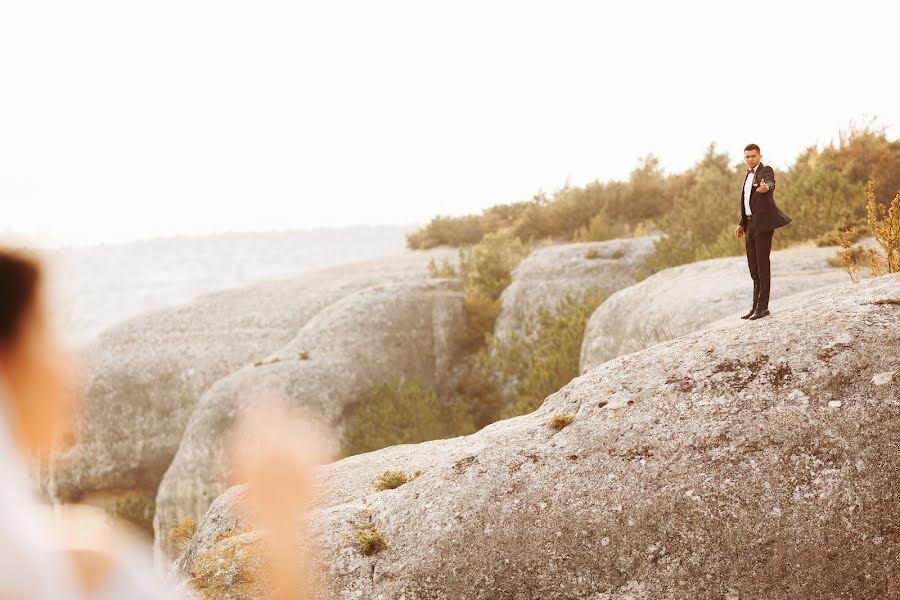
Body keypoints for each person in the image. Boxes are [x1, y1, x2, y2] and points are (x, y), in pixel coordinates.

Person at [0, 247, 319, 599]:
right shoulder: (78, 568)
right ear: (11, 361)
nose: (66, 364)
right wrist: (282, 524)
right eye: (47, 334)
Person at [733, 144, 792, 320]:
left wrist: (767, 187)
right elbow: (748, 202)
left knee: (762, 266)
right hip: (750, 225)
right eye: (747, 157)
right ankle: (755, 306)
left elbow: (770, 183)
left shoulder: (766, 171)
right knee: (753, 268)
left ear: (759, 155)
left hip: (763, 226)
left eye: (753, 156)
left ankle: (763, 307)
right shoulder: (748, 174)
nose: (750, 159)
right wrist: (741, 223)